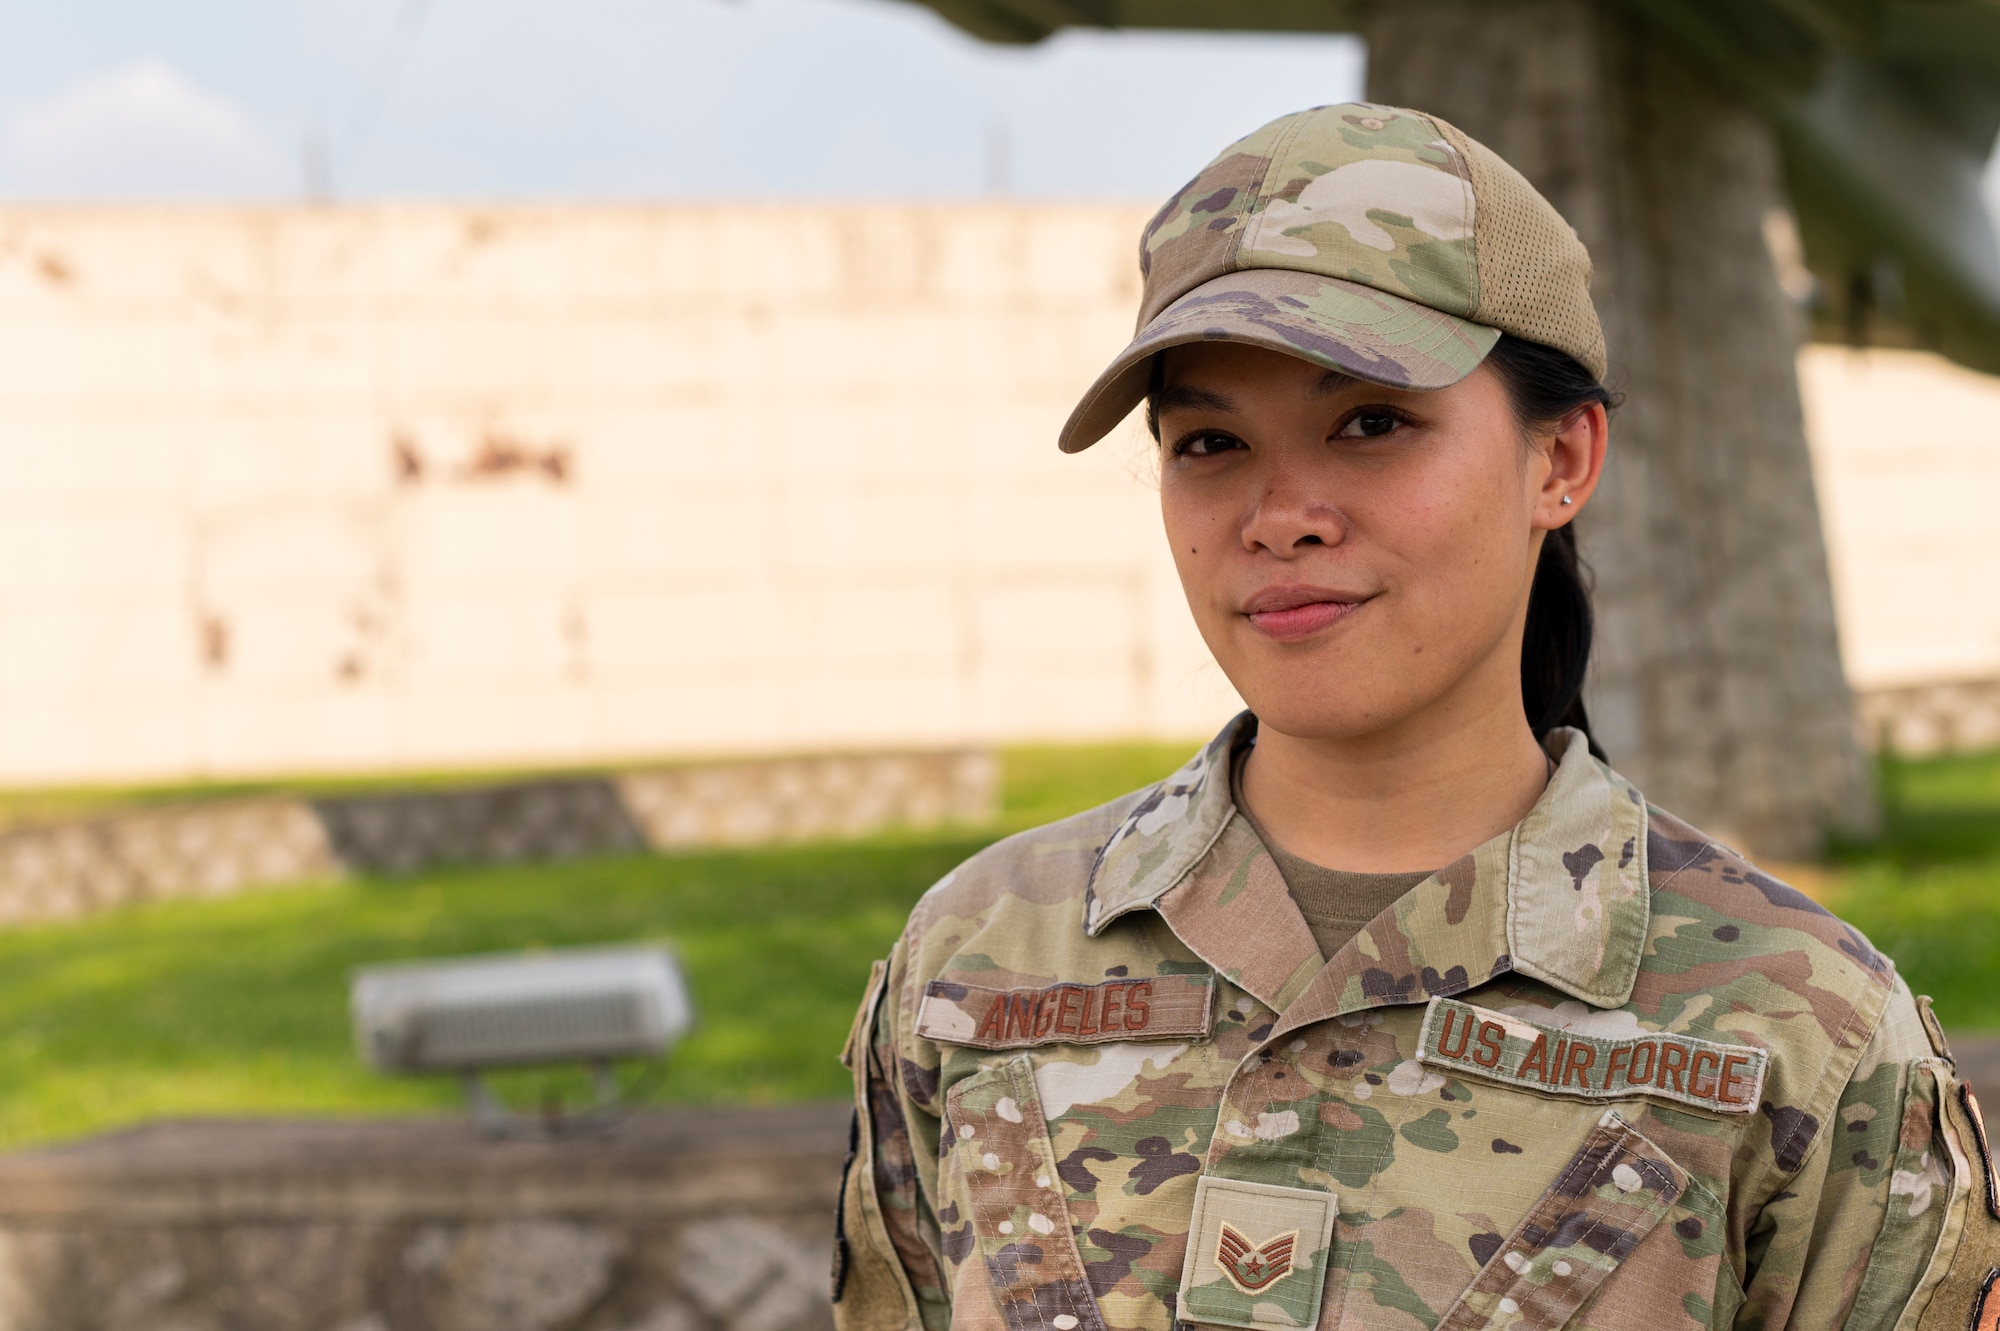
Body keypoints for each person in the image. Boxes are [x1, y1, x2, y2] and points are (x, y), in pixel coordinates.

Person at [831, 103, 1998, 1331]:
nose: (1278, 514)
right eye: (1210, 440)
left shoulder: (1791, 1026)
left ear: (1561, 461)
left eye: (1370, 423)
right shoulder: (975, 965)